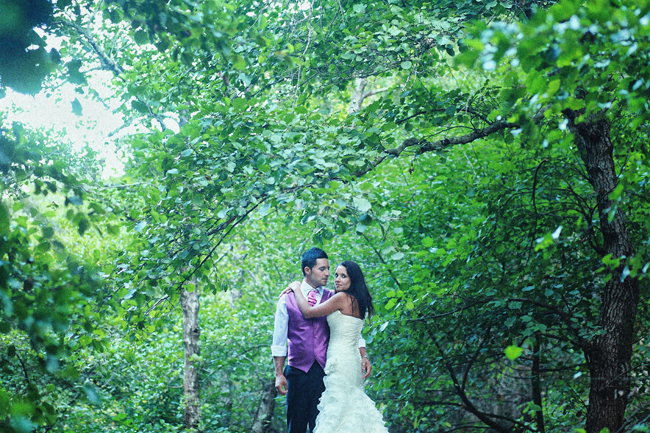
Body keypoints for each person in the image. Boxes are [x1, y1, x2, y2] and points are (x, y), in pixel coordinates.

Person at [272, 248, 371, 433]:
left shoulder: (334, 296)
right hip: (297, 372)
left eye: (329, 269)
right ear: (308, 270)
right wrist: (279, 374)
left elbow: (350, 329)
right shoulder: (287, 299)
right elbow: (278, 340)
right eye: (322, 269)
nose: (328, 274)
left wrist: (363, 353)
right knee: (297, 427)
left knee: (323, 426)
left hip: (326, 372)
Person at [286, 260, 389, 433]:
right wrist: (364, 355)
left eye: (343, 276)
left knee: (338, 407)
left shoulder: (341, 298)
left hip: (340, 361)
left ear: (352, 280)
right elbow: (356, 333)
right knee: (349, 407)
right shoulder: (359, 301)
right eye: (336, 275)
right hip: (352, 361)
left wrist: (296, 288)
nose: (337, 280)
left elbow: (309, 312)